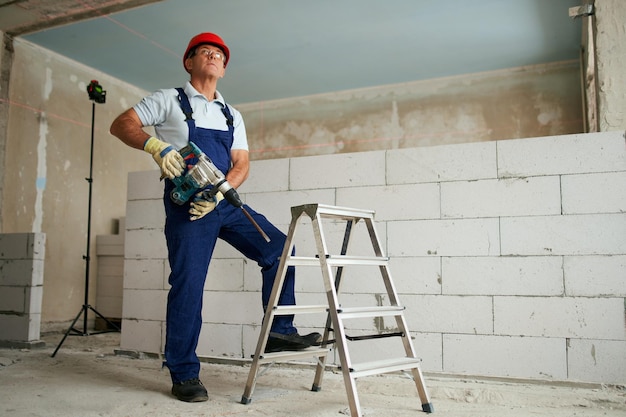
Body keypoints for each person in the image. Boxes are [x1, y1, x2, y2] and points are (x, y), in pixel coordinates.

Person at [110, 32, 320, 403]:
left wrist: (221, 191)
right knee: (188, 286)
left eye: (219, 55)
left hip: (222, 201)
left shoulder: (230, 114)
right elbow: (121, 123)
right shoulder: (168, 100)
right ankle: (184, 373)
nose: (213, 57)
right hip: (187, 206)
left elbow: (241, 163)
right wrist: (153, 145)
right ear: (189, 62)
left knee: (280, 249)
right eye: (204, 52)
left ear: (223, 68)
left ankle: (280, 331)